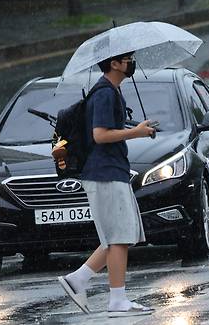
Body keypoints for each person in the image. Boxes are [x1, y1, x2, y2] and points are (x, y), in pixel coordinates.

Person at [58, 51, 155, 317]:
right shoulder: (104, 93)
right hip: (105, 173)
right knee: (119, 237)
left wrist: (136, 128)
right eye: (128, 59)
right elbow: (99, 135)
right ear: (114, 63)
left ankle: (77, 279)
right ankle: (117, 300)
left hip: (111, 171)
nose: (132, 63)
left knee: (117, 236)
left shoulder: (112, 91)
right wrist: (136, 132)